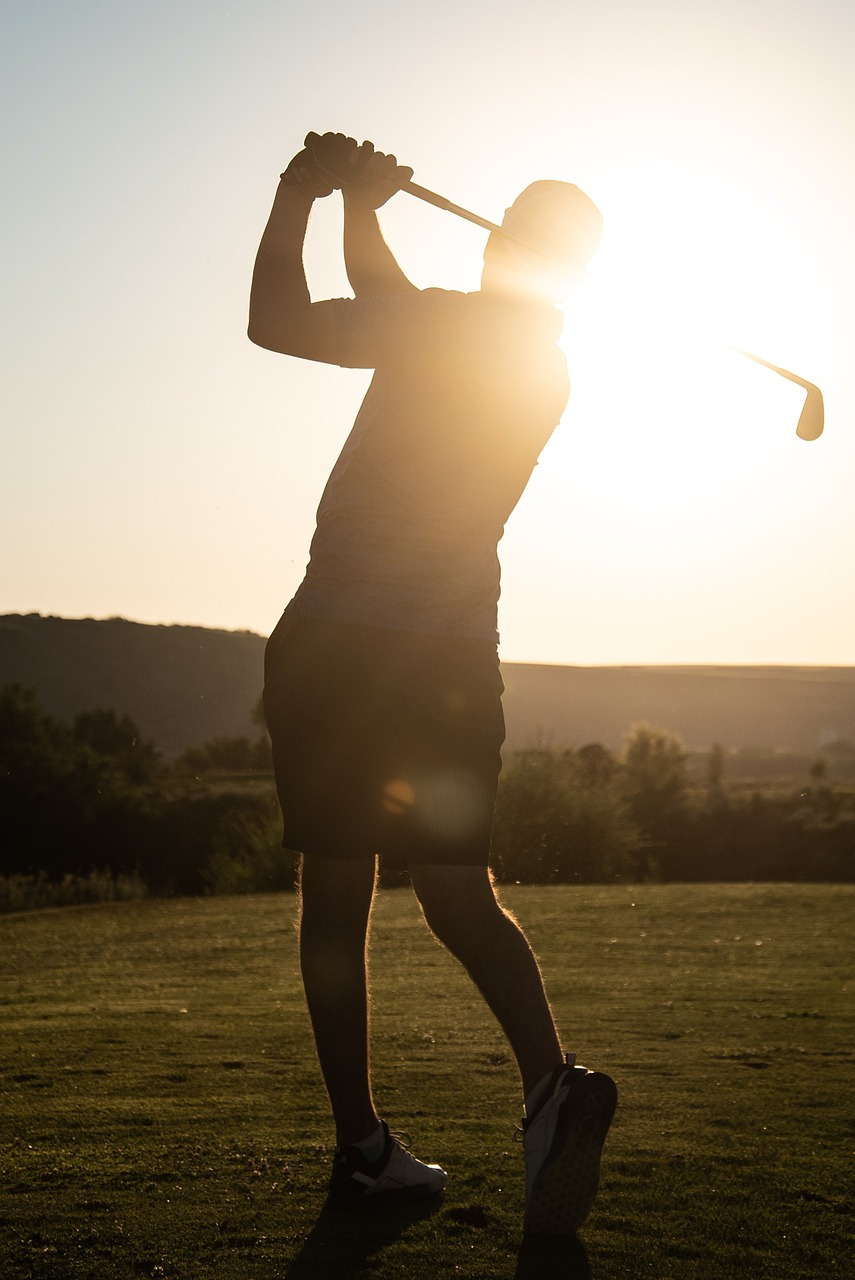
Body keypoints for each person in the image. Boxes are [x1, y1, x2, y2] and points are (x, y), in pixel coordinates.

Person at [248, 131, 616, 1235]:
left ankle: (364, 1149)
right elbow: (392, 305)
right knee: (460, 892)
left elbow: (278, 320)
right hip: (449, 662)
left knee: (336, 897)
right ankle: (549, 1088)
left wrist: (302, 193)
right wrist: (366, 208)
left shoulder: (441, 325)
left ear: (503, 243)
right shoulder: (541, 365)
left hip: (338, 648)